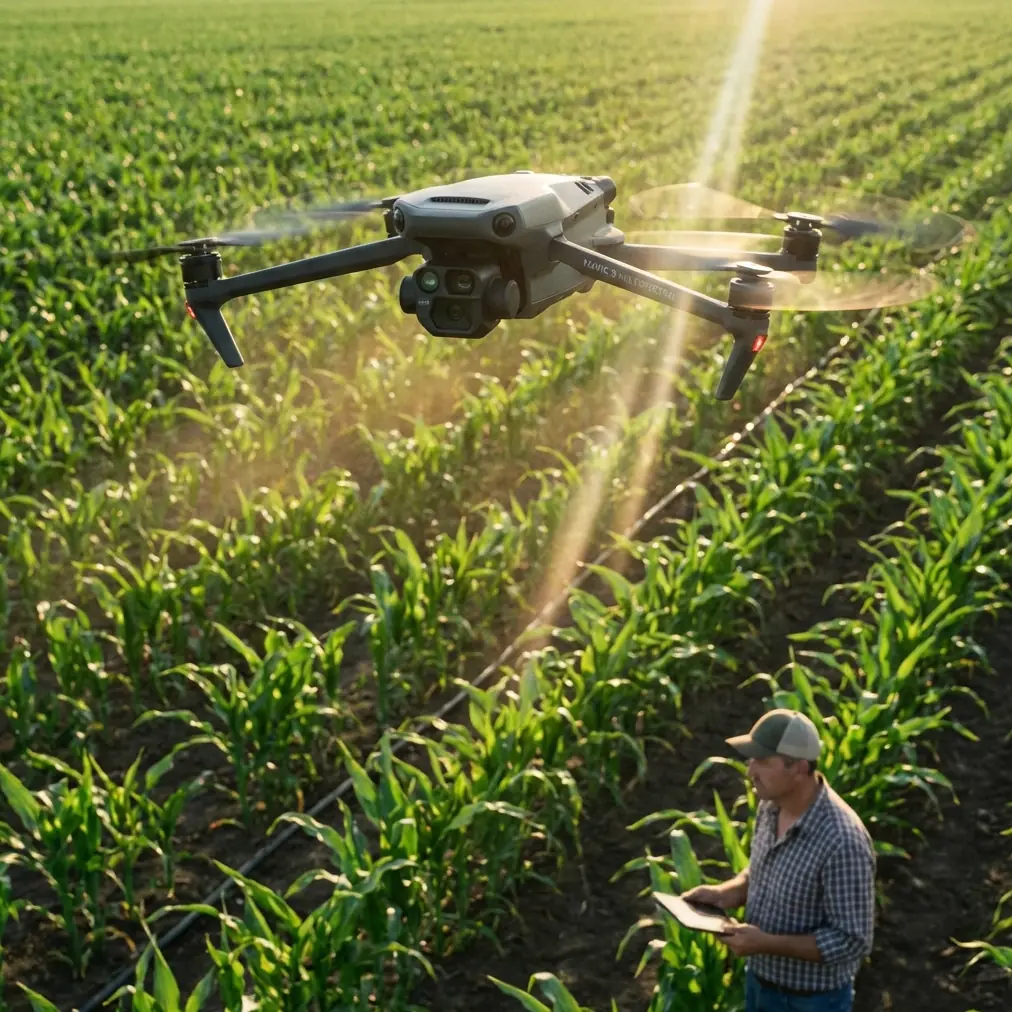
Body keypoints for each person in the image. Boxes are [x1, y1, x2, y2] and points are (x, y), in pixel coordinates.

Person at [680, 708, 876, 1012]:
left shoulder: (843, 841)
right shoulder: (771, 806)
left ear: (798, 768)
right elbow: (761, 871)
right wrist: (724, 893)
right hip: (759, 985)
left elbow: (851, 941)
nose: (750, 771)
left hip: (810, 1002)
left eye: (762, 761)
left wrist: (766, 943)